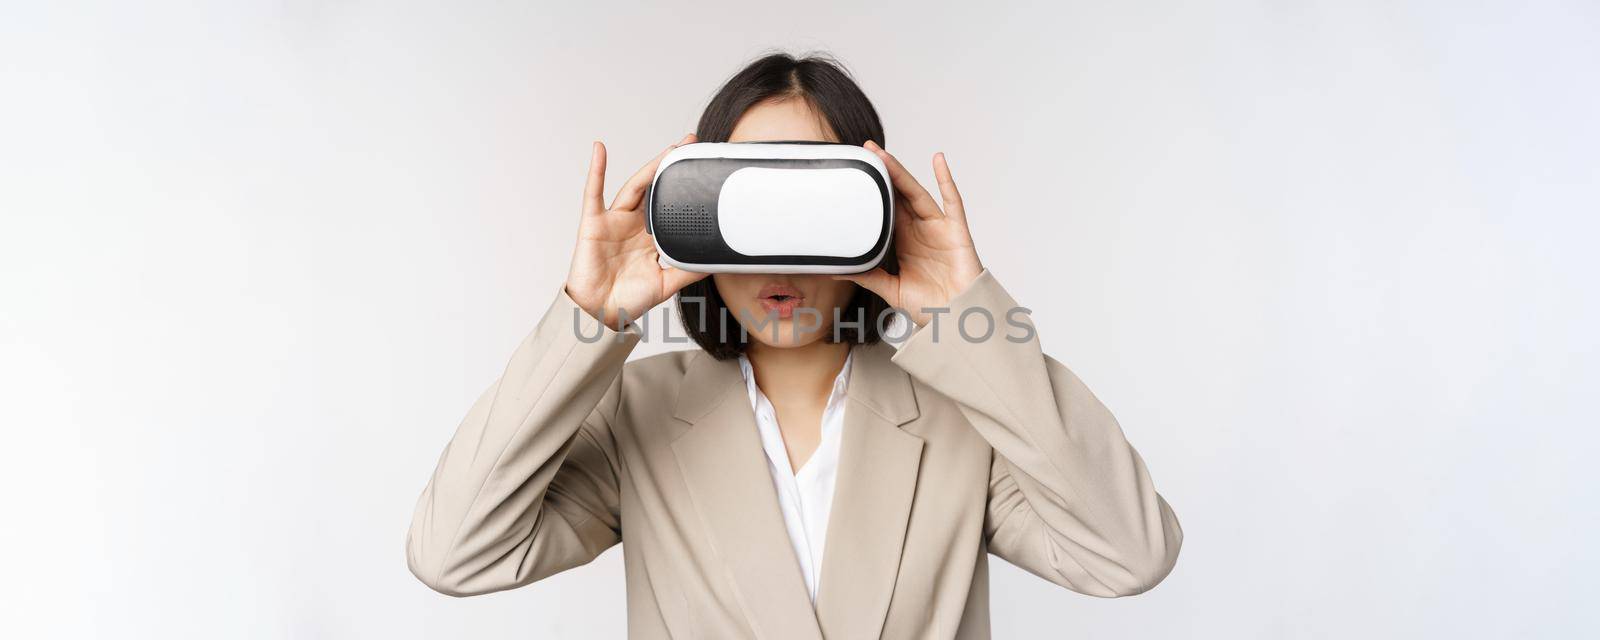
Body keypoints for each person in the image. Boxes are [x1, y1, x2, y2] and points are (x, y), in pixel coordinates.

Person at [405, 52, 1182, 639]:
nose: (778, 262)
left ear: (872, 218)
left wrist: (965, 315)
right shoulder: (637, 413)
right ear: (700, 213)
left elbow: (1128, 554)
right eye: (749, 210)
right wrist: (587, 317)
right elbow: (454, 553)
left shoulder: (961, 423)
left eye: (811, 210)